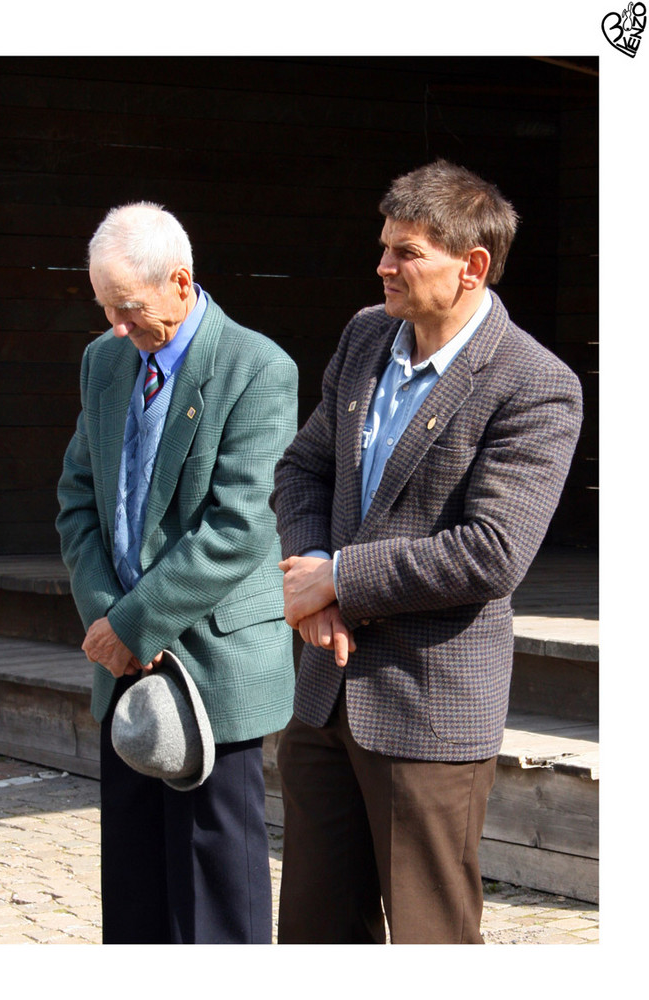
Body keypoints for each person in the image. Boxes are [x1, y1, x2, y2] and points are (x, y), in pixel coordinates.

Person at [270, 160, 583, 945]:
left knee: (429, 943)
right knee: (313, 938)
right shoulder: (366, 335)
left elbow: (492, 552)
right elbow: (304, 466)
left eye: (405, 252)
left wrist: (337, 577)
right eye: (385, 247)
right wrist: (311, 578)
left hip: (428, 711)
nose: (383, 266)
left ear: (471, 267)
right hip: (323, 698)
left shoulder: (534, 383)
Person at [56, 202, 298, 944]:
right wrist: (109, 619)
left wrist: (134, 623)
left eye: (128, 309)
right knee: (134, 895)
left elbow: (236, 525)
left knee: (215, 903)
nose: (117, 327)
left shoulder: (258, 369)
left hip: (214, 667)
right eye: (105, 308)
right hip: (123, 663)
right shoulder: (105, 360)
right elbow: (77, 500)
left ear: (181, 283)